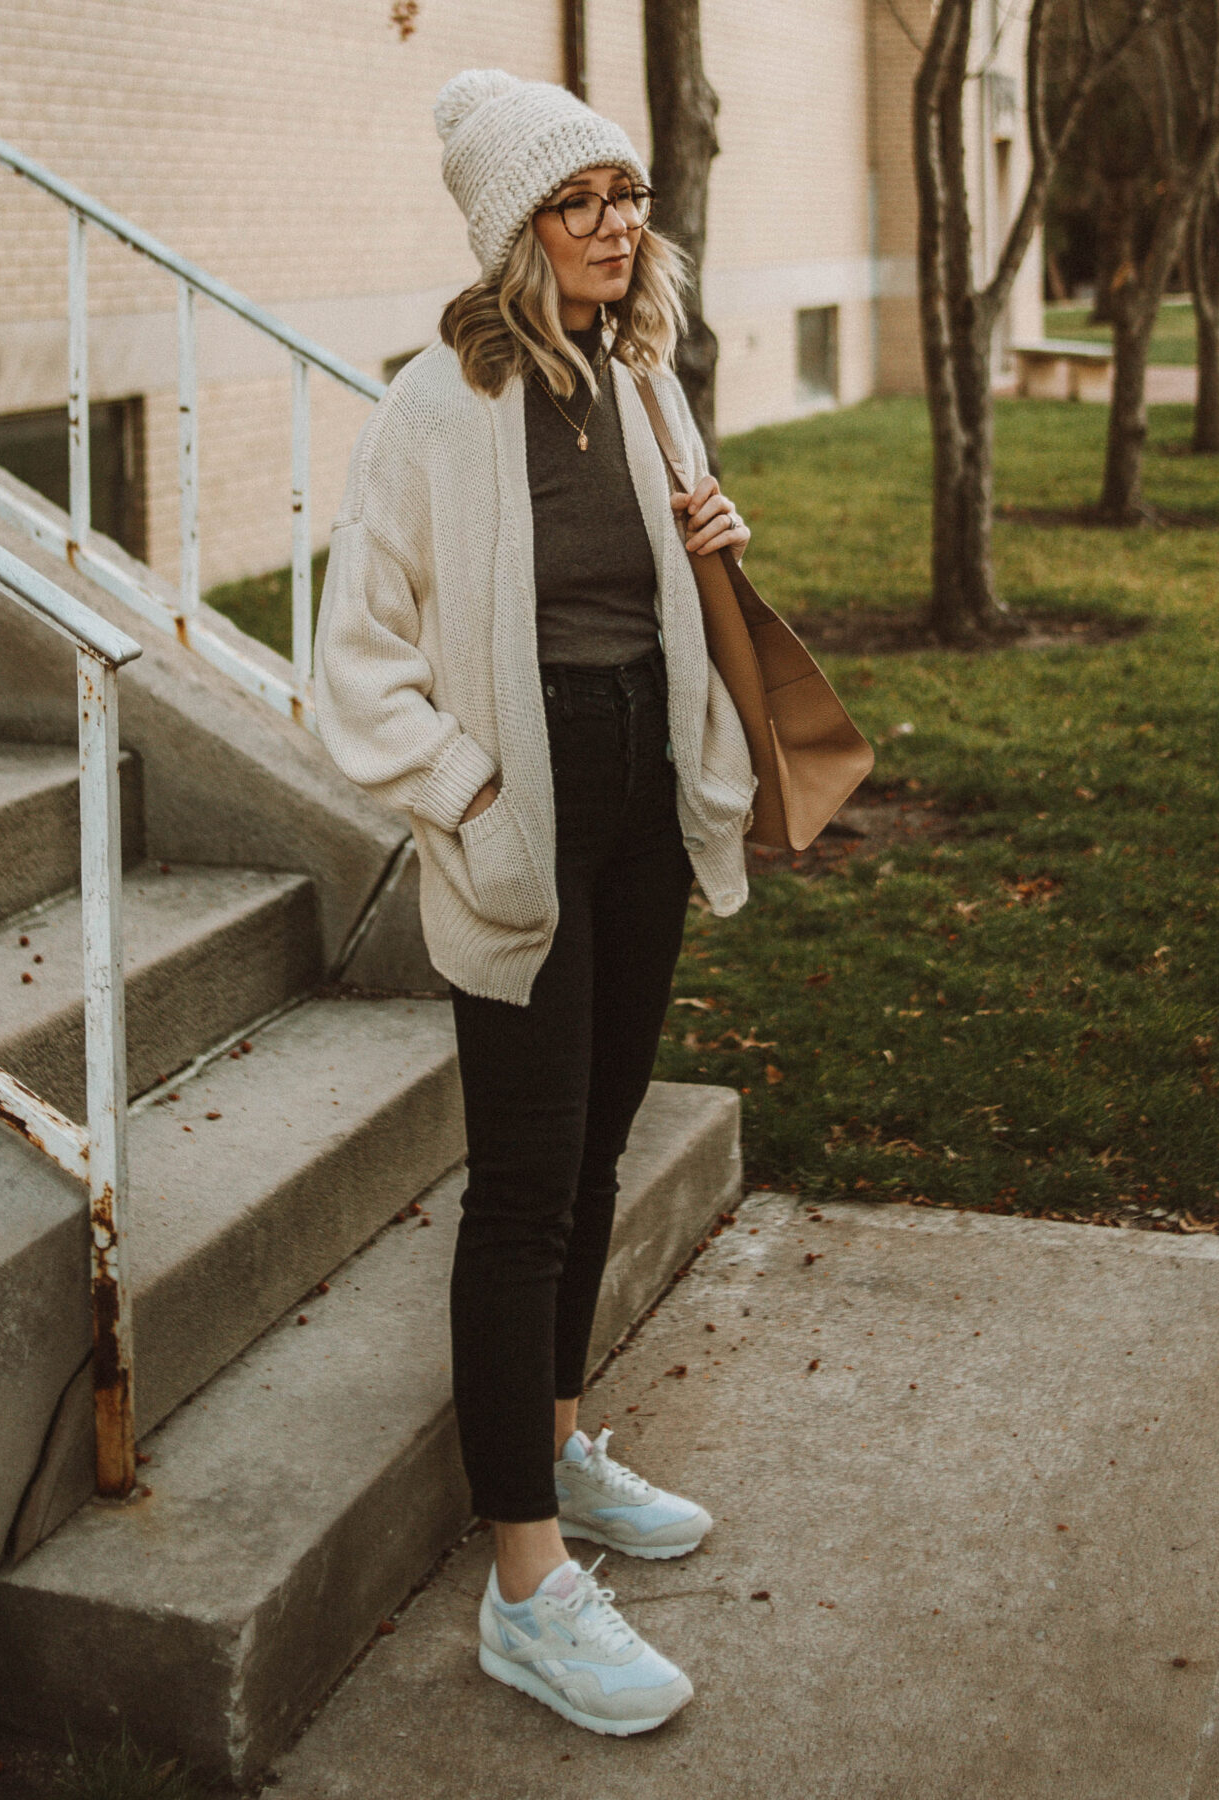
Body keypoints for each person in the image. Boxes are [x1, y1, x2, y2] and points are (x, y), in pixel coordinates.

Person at [314, 67, 755, 1737]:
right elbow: (356, 665)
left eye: (627, 199)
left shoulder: (640, 379)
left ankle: (558, 1442)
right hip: (526, 816)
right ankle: (522, 1586)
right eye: (580, 204)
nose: (616, 229)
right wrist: (475, 797)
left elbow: (647, 586)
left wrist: (705, 527)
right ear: (516, 229)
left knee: (594, 1144)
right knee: (517, 1190)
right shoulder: (437, 411)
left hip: (637, 790)